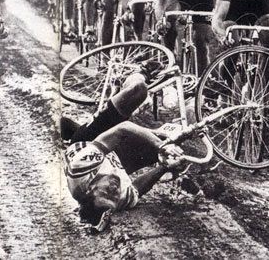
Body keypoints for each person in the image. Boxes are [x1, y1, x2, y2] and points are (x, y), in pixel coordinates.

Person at [62, 69, 186, 232]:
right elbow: (136, 189)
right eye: (114, 197)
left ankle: (138, 71)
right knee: (175, 139)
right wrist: (164, 167)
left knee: (138, 91)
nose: (114, 190)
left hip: (89, 140)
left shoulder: (81, 167)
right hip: (115, 159)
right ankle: (154, 131)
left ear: (90, 188)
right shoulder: (117, 200)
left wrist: (160, 145)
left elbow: (123, 128)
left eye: (106, 192)